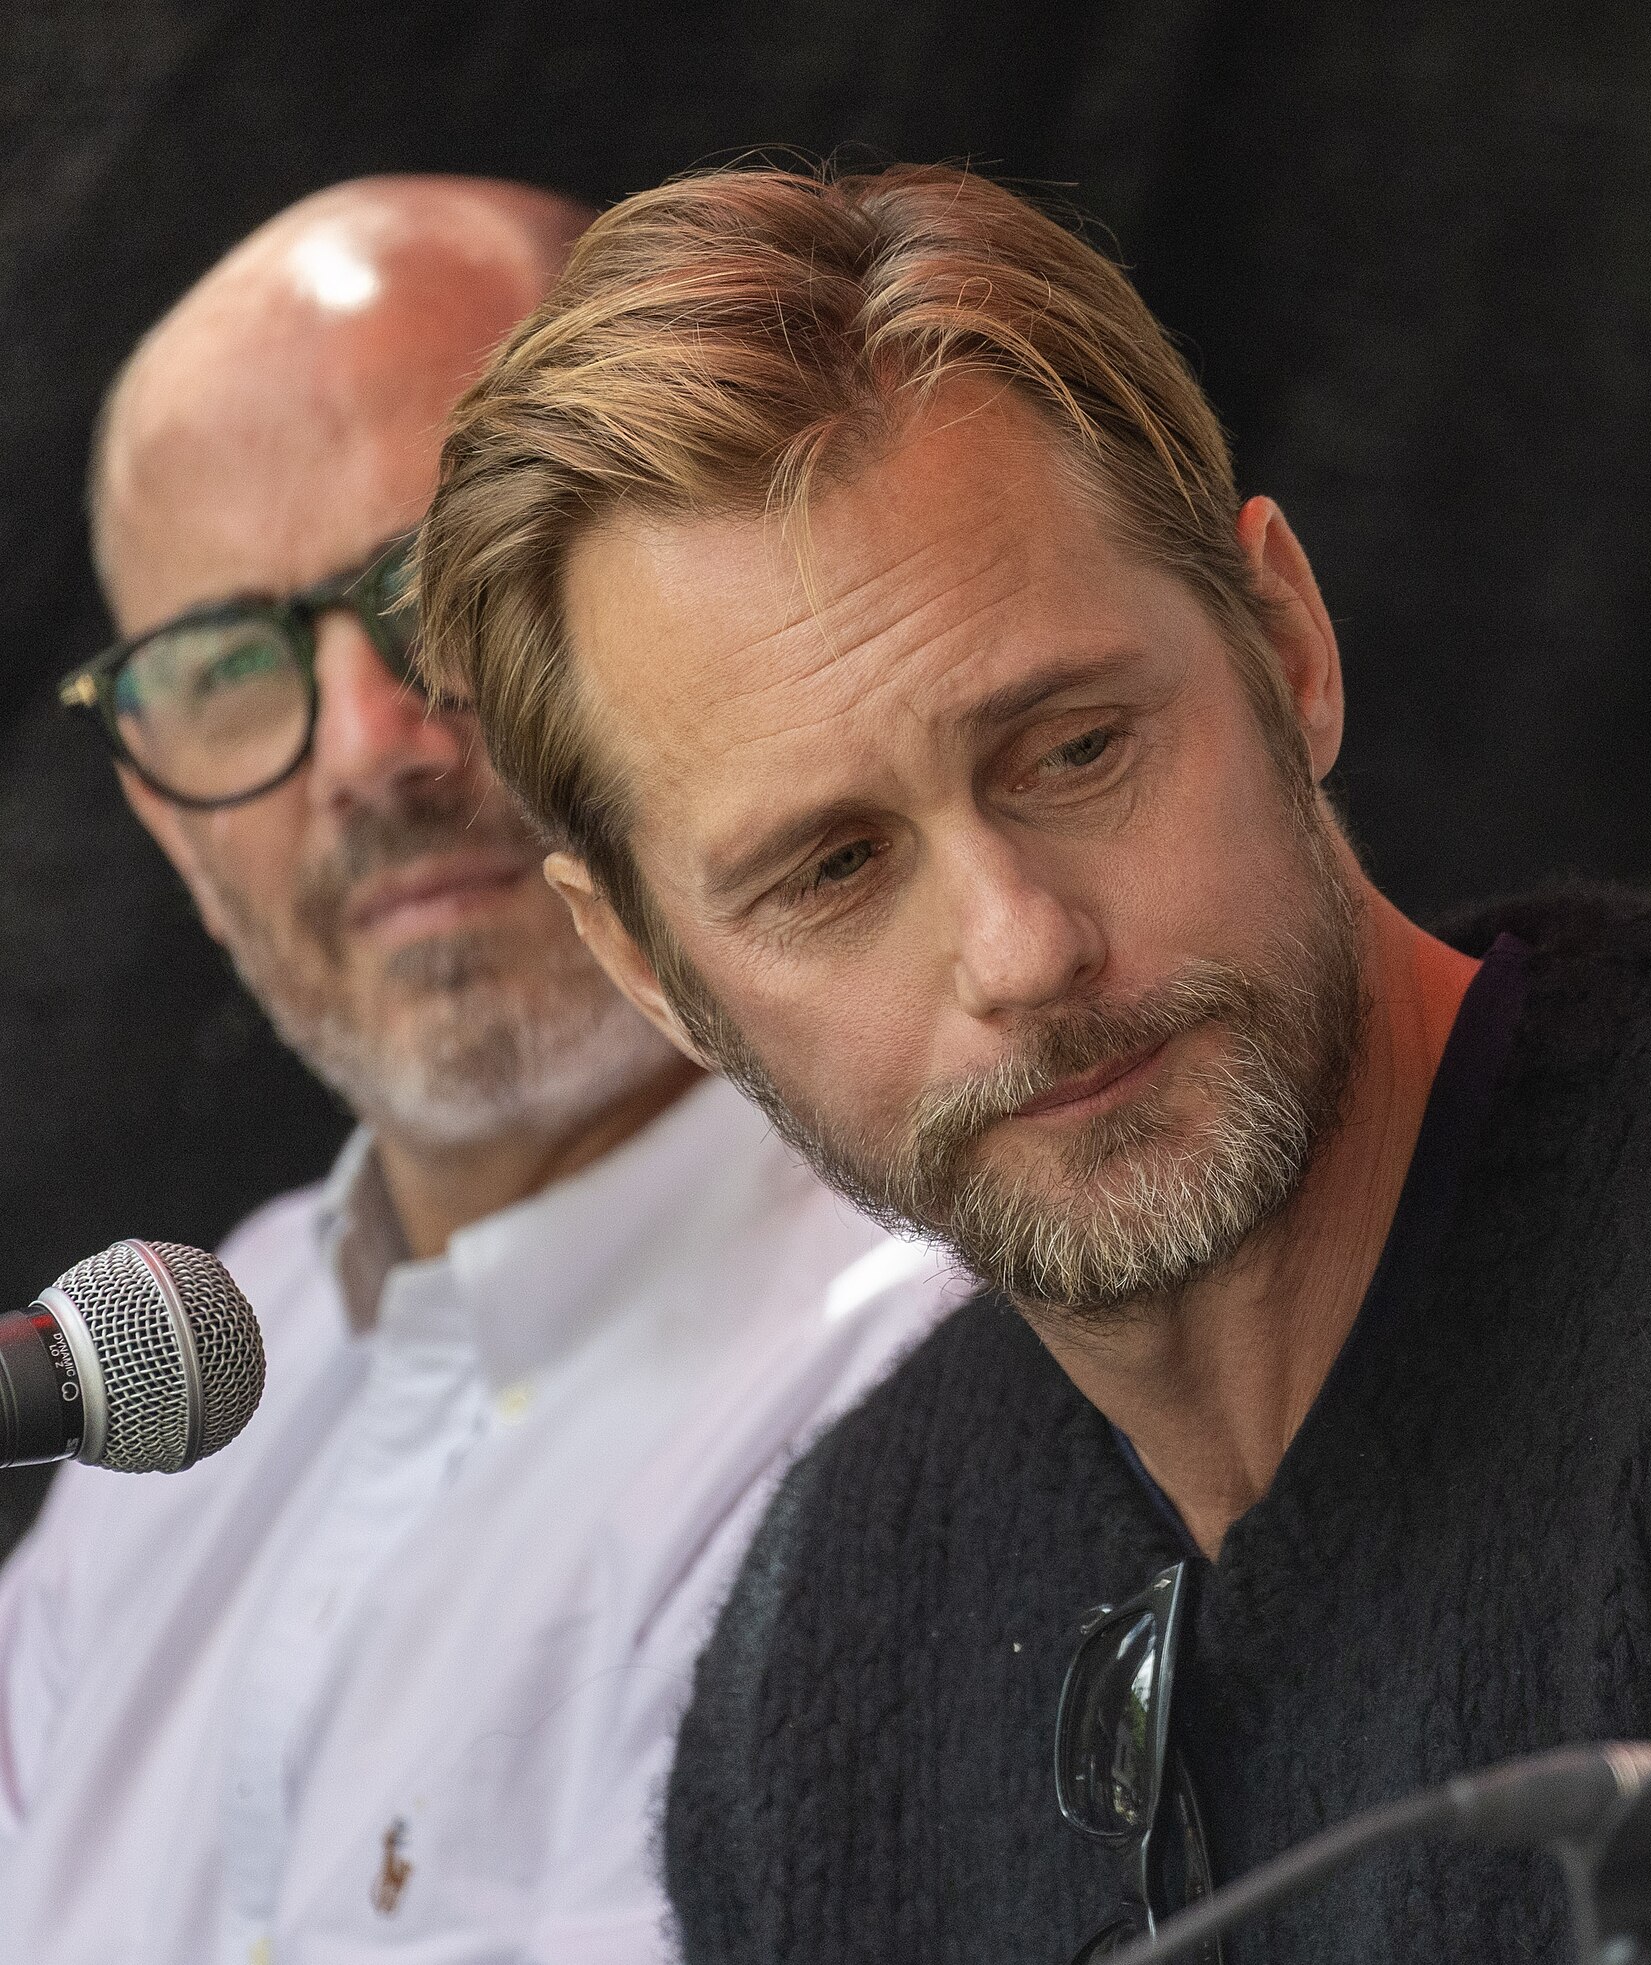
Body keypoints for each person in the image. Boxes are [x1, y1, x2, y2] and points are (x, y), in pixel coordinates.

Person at [417, 159, 1651, 1965]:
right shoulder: (838, 1641)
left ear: (1285, 645)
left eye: (1072, 751)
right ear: (649, 970)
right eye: (832, 870)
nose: (1023, 950)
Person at [0, 175, 961, 1965]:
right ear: (157, 808)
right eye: (222, 665)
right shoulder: (177, 1384)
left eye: (433, 583)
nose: (369, 744)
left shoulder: (924, 1339)